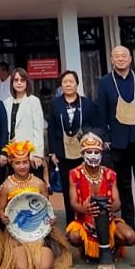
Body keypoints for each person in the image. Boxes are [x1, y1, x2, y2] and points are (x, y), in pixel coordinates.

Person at [94, 45, 135, 231]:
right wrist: (105, 137)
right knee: (123, 184)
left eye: (124, 56)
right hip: (118, 141)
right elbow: (102, 112)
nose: (121, 59)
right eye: (117, 56)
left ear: (130, 58)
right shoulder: (105, 82)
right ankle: (128, 222)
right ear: (112, 60)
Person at [0, 140, 71, 269]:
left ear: (30, 162)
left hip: (38, 234)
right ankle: (22, 256)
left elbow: (47, 209)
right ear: (11, 164)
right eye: (17, 163)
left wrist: (51, 220)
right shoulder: (6, 186)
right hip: (16, 234)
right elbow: (0, 210)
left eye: (25, 162)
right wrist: (3, 216)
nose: (22, 166)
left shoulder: (39, 184)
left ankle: (39, 254)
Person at [66, 132, 135, 269]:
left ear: (101, 154)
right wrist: (86, 209)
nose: (93, 155)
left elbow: (118, 202)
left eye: (96, 152)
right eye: (89, 152)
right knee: (73, 236)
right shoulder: (74, 174)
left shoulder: (110, 174)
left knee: (130, 237)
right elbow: (73, 202)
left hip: (108, 220)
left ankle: (112, 247)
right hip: (85, 221)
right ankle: (85, 249)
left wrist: (110, 207)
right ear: (82, 153)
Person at [47, 70, 101, 225]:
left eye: (71, 81)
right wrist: (52, 153)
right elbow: (51, 129)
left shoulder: (87, 104)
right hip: (63, 152)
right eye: (65, 82)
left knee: (84, 185)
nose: (68, 85)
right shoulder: (56, 104)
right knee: (67, 187)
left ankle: (88, 220)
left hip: (83, 152)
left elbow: (95, 127)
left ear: (77, 84)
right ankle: (71, 222)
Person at [1, 68, 46, 180]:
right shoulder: (6, 103)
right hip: (13, 154)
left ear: (27, 82)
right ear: (12, 83)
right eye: (16, 80)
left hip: (29, 154)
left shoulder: (33, 101)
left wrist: (37, 154)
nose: (19, 83)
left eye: (22, 80)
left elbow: (38, 129)